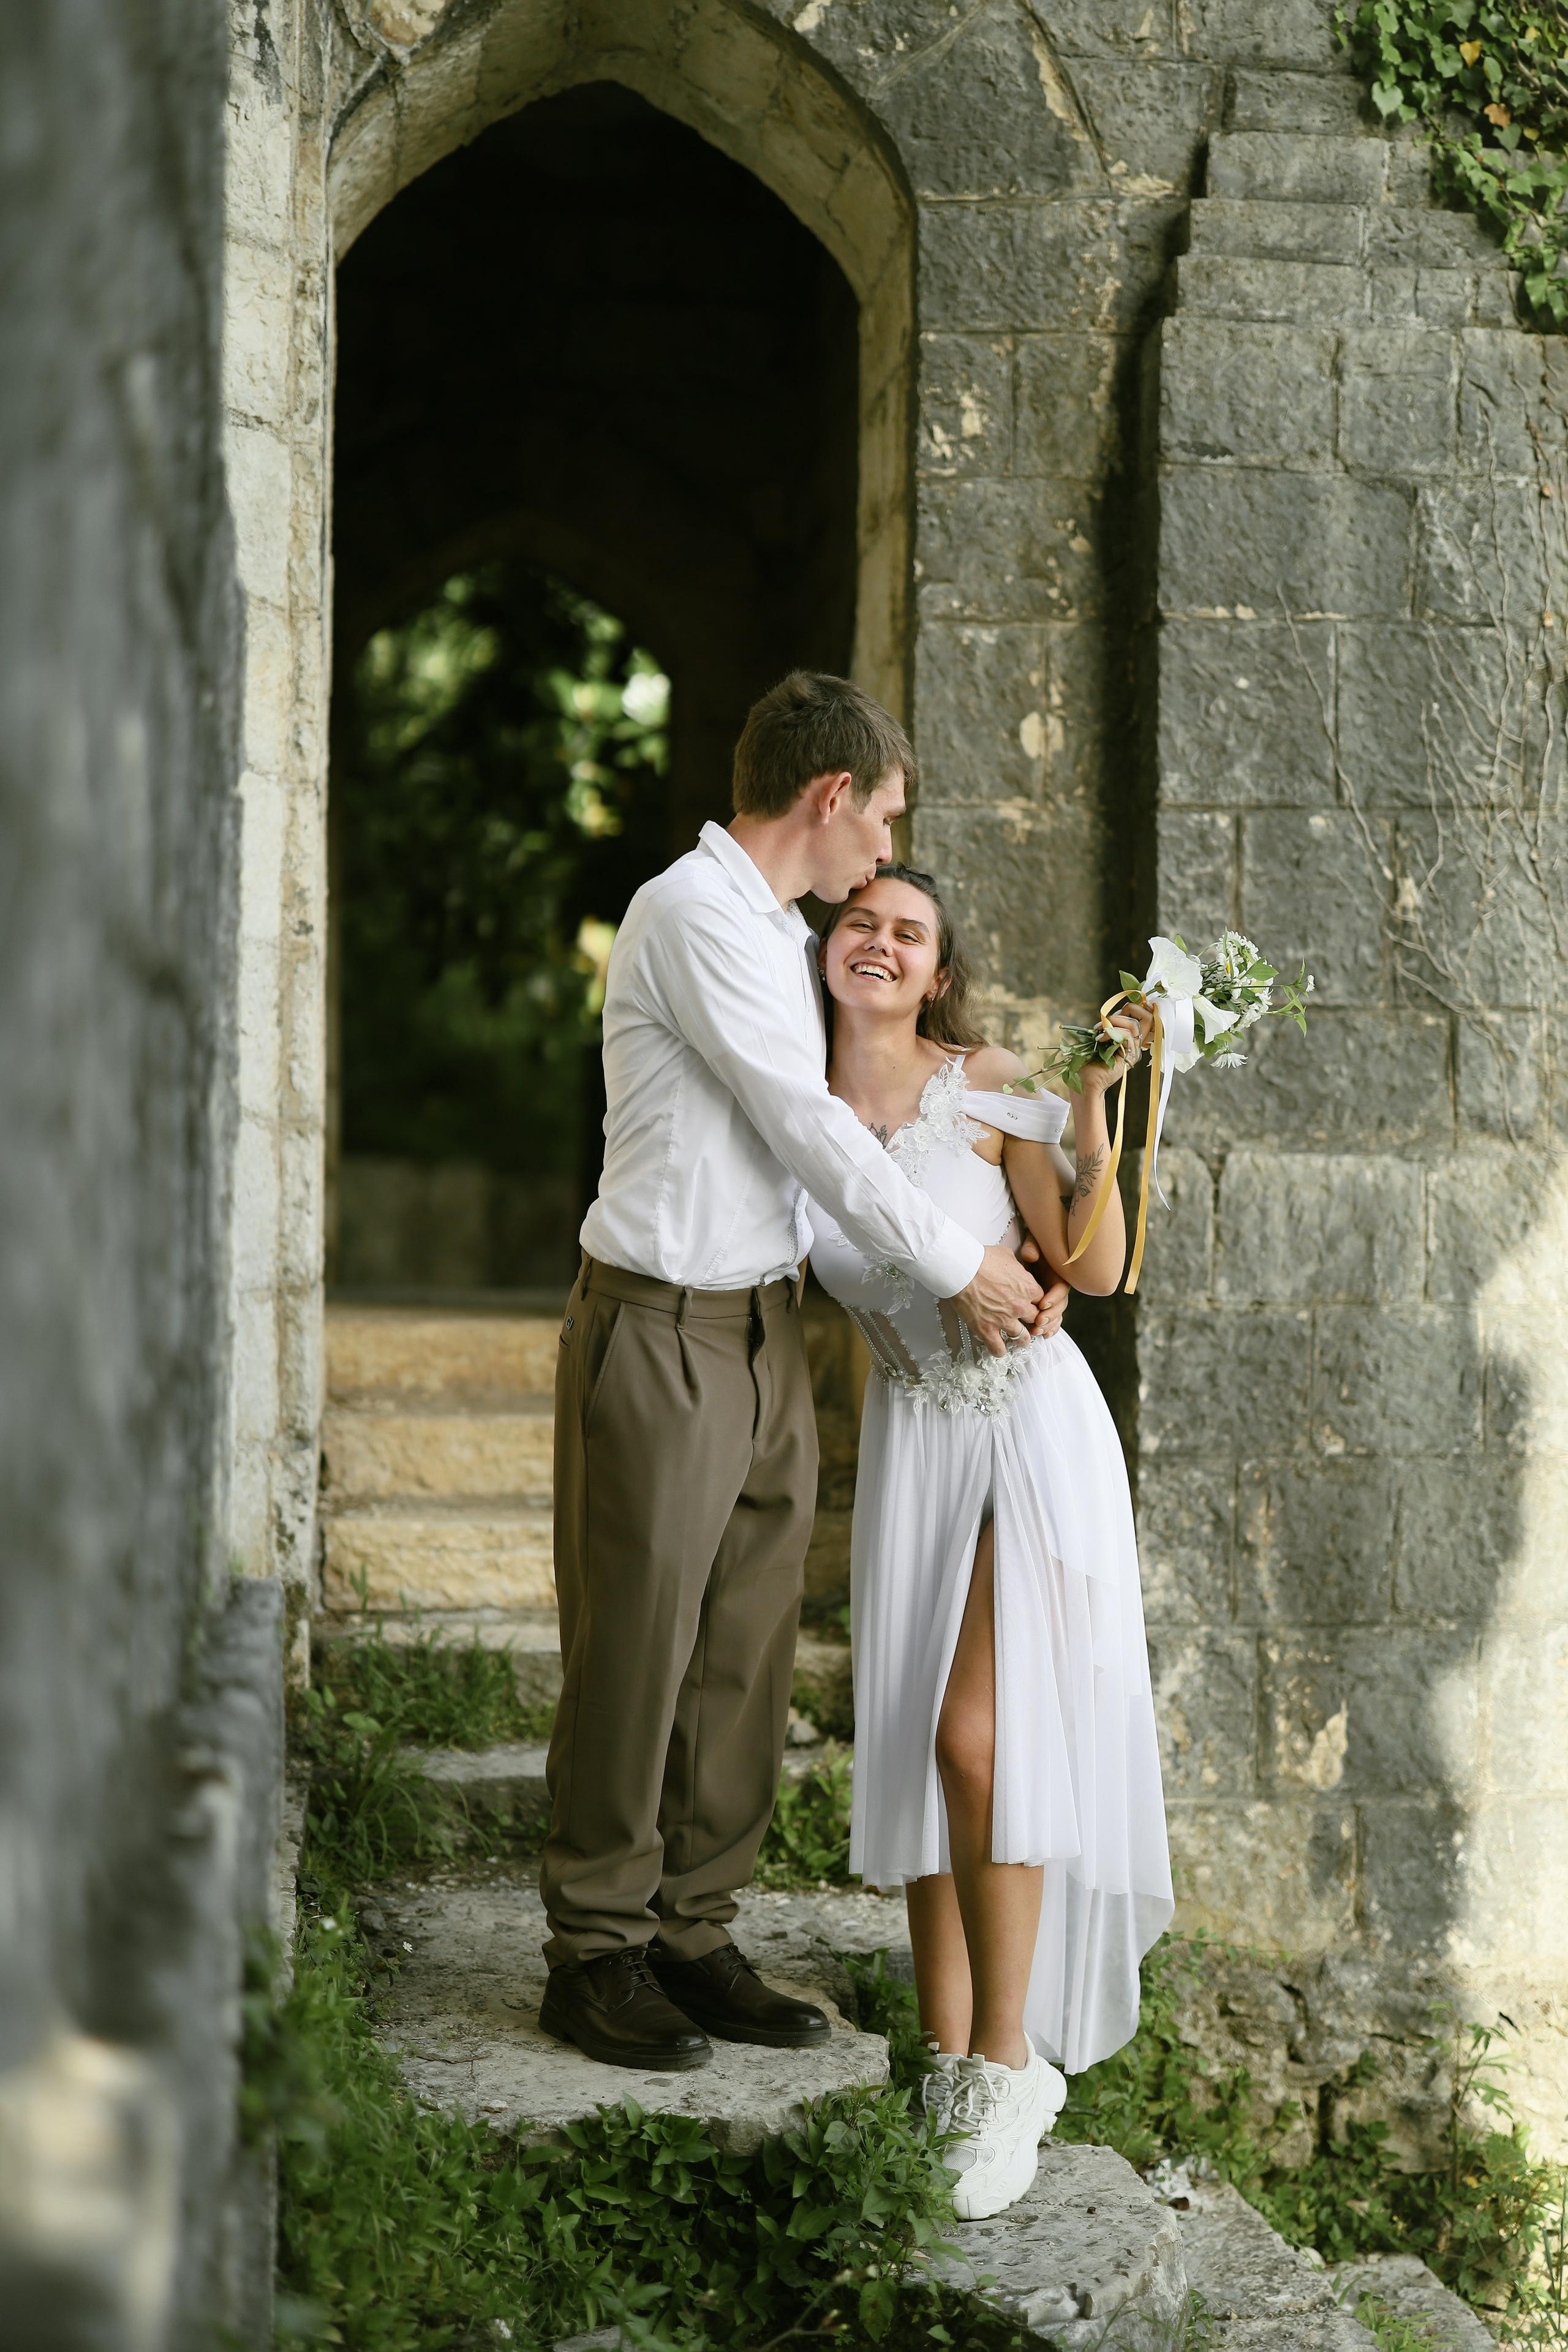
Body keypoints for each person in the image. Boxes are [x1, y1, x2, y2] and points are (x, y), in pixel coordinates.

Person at [538, 673, 1071, 2071]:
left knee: (741, 1660)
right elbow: (804, 1127)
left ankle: (691, 1933)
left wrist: (1021, 1198)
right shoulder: (691, 916)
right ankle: (593, 1951)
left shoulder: (784, 940)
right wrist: (963, 1271)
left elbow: (892, 1112)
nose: (885, 856)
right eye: (883, 820)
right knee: (636, 1642)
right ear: (829, 797)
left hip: (765, 1326)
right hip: (659, 1322)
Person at [806, 862, 1173, 2220]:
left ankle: (1012, 2065)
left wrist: (1085, 1114)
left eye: (907, 932)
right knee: (920, 1751)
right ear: (827, 947)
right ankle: (949, 2061)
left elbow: (1096, 1264)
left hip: (1024, 1429)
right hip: (913, 1439)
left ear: (938, 971)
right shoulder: (792, 1105)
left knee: (978, 1739)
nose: (881, 945)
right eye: (861, 924)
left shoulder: (983, 1087)